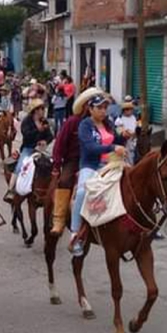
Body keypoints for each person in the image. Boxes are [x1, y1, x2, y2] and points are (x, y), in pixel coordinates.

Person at [69, 95, 126, 256]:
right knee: (81, 193)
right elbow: (90, 147)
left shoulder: (108, 124)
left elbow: (116, 141)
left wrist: (123, 137)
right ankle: (75, 233)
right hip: (92, 166)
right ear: (90, 109)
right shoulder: (85, 125)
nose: (103, 111)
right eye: (99, 108)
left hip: (112, 164)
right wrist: (113, 147)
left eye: (104, 108)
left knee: (134, 183)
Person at [50, 87, 103, 236]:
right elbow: (59, 144)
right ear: (86, 106)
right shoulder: (73, 121)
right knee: (65, 180)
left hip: (96, 159)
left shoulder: (102, 123)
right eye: (94, 105)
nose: (99, 109)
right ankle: (59, 219)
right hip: (74, 160)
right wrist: (57, 164)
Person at [4, 99, 53, 203]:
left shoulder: (44, 121)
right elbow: (26, 134)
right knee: (20, 165)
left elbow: (50, 136)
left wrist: (45, 141)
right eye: (40, 108)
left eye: (43, 108)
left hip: (40, 149)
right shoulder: (27, 121)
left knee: (50, 165)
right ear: (35, 110)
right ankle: (10, 189)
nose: (43, 110)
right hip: (28, 148)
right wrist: (37, 130)